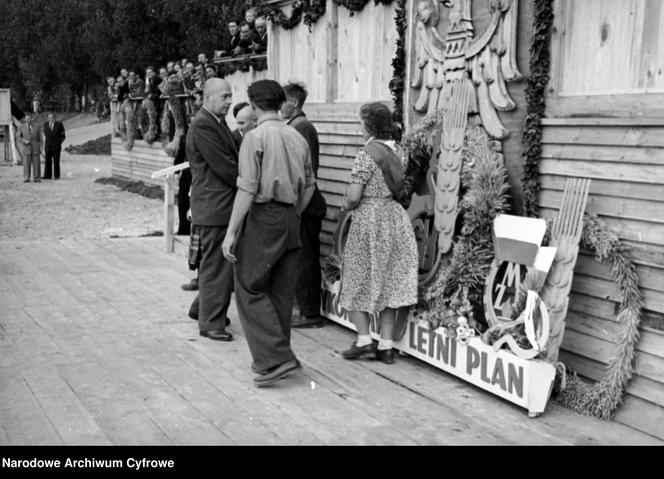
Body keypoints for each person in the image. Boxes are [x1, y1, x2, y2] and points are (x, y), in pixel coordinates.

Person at [222, 79, 315, 387]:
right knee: (279, 290)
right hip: (291, 215)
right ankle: (276, 358)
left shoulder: (254, 137)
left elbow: (247, 188)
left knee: (248, 286)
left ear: (254, 104)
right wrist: (295, 212)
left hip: (265, 215)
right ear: (279, 103)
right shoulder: (297, 135)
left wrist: (231, 232)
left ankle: (276, 359)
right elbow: (311, 184)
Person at [337, 102, 418, 364]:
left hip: (369, 220)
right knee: (390, 280)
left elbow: (354, 196)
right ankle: (386, 346)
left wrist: (345, 204)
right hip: (394, 218)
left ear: (368, 126)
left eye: (360, 123)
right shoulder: (397, 152)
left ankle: (364, 341)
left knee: (358, 276)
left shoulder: (366, 154)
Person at [187, 78, 238, 342]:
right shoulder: (204, 125)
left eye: (231, 96)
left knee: (216, 266)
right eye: (225, 96)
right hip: (215, 207)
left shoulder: (215, 122)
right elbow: (226, 166)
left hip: (218, 206)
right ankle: (210, 323)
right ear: (208, 97)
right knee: (216, 268)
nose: (230, 101)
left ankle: (202, 308)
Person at [280, 82, 327, 328]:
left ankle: (310, 313)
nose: (279, 106)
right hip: (299, 202)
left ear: (295, 103)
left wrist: (297, 204)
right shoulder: (295, 126)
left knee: (306, 258)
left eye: (283, 101)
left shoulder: (302, 127)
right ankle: (303, 307)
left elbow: (306, 171)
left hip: (305, 204)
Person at [17, 114, 42, 182]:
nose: (28, 120)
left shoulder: (37, 126)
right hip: (26, 148)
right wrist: (24, 141)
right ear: (25, 119)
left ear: (31, 119)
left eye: (29, 118)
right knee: (26, 164)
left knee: (36, 164)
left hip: (35, 148)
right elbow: (18, 137)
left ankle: (36, 178)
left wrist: (41, 148)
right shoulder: (21, 127)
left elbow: (41, 138)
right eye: (27, 118)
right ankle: (26, 177)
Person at [42, 113, 66, 180]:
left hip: (56, 146)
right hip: (48, 146)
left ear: (54, 118)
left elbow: (63, 137)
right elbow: (45, 134)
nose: (51, 118)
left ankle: (56, 175)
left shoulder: (59, 124)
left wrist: (58, 143)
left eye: (52, 117)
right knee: (47, 161)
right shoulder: (45, 124)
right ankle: (47, 175)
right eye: (49, 117)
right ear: (47, 118)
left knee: (56, 161)